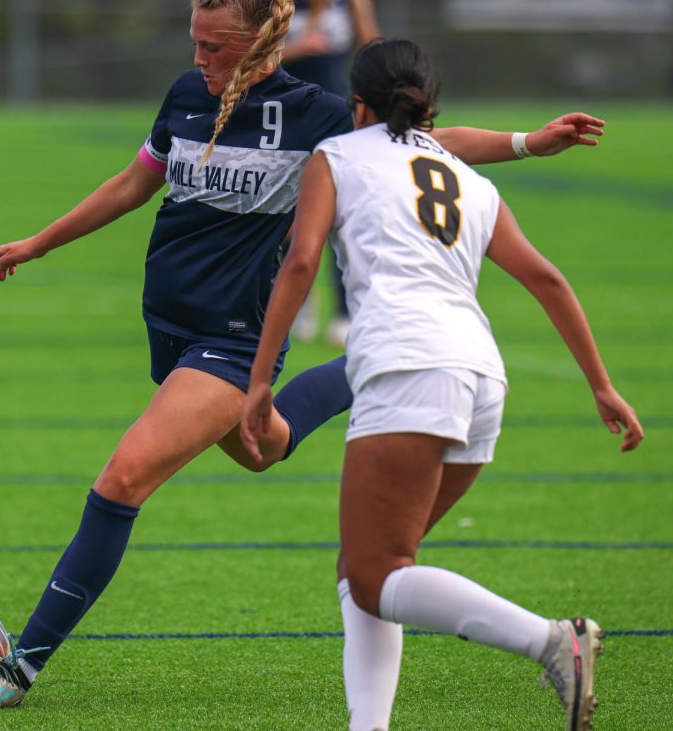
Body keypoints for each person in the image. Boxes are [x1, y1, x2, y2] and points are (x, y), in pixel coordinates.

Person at [0, 0, 607, 710]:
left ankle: (22, 665)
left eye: (216, 48)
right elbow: (134, 182)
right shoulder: (185, 96)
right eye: (195, 43)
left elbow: (427, 142)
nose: (200, 60)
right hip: (168, 326)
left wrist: (528, 141)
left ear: (262, 47)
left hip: (231, 339)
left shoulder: (313, 116)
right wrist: (38, 243)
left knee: (123, 478)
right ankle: (357, 372)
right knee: (262, 448)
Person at [240, 39, 643, 731]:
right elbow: (546, 277)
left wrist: (257, 380)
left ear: (357, 104)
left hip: (408, 367)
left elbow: (303, 262)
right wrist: (601, 386)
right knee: (371, 570)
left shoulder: (334, 157)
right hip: (481, 379)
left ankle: (552, 640)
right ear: (429, 107)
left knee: (374, 575)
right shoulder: (468, 180)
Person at [280, 0, 380, 347]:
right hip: (285, 117)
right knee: (286, 215)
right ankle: (297, 304)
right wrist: (296, 49)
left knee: (342, 216)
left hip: (336, 119)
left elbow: (372, 49)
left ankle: (344, 311)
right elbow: (251, 55)